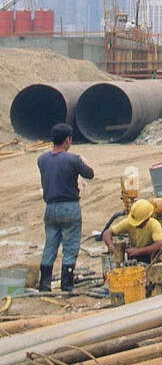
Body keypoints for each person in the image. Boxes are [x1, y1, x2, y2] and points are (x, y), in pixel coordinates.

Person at [37, 122, 94, 293]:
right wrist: (83, 161)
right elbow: (89, 174)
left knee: (50, 245)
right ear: (68, 140)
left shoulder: (42, 159)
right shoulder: (72, 159)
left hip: (50, 208)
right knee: (70, 247)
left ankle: (44, 284)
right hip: (69, 207)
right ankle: (67, 285)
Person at [102, 199, 162, 264]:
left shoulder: (154, 224)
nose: (135, 225)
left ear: (147, 219)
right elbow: (106, 233)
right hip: (135, 257)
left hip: (150, 257)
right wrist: (110, 246)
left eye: (138, 223)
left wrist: (138, 251)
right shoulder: (128, 223)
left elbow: (161, 244)